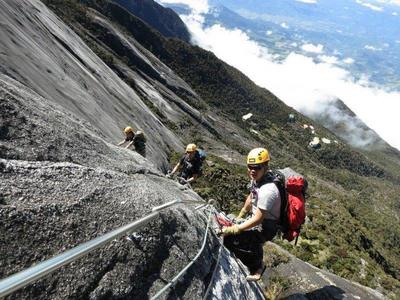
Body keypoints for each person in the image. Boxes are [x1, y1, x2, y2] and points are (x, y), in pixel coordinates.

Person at [221, 147, 281, 281]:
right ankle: (253, 245)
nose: (252, 170)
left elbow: (258, 219)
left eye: (257, 167)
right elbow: (251, 196)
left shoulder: (268, 190)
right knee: (232, 224)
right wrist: (241, 214)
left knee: (230, 240)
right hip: (256, 218)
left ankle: (258, 266)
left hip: (266, 226)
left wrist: (236, 228)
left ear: (265, 166)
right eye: (250, 167)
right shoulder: (258, 179)